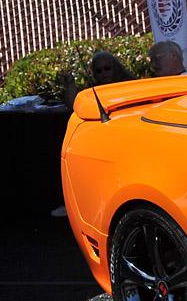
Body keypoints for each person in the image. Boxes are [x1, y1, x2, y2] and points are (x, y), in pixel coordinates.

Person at [52, 51, 134, 218]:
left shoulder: (129, 85)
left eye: (107, 68)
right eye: (99, 71)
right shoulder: (94, 90)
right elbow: (74, 104)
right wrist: (70, 85)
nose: (104, 73)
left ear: (115, 68)